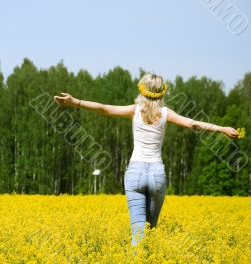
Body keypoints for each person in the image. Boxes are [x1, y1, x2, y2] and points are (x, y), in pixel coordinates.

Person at [53, 73, 239, 246]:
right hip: (157, 174)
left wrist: (75, 101)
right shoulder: (166, 113)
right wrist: (222, 129)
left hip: (135, 173)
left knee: (138, 232)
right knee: (151, 231)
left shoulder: (135, 110)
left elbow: (105, 109)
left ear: (142, 89)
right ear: (162, 92)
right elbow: (193, 124)